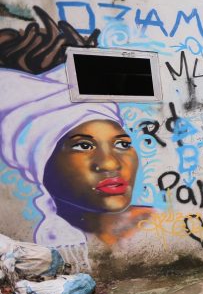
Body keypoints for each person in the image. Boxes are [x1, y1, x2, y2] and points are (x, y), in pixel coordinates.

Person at [0, 65, 153, 251]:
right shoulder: (39, 247)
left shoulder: (157, 226)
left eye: (122, 144)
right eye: (84, 146)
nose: (110, 163)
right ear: (40, 164)